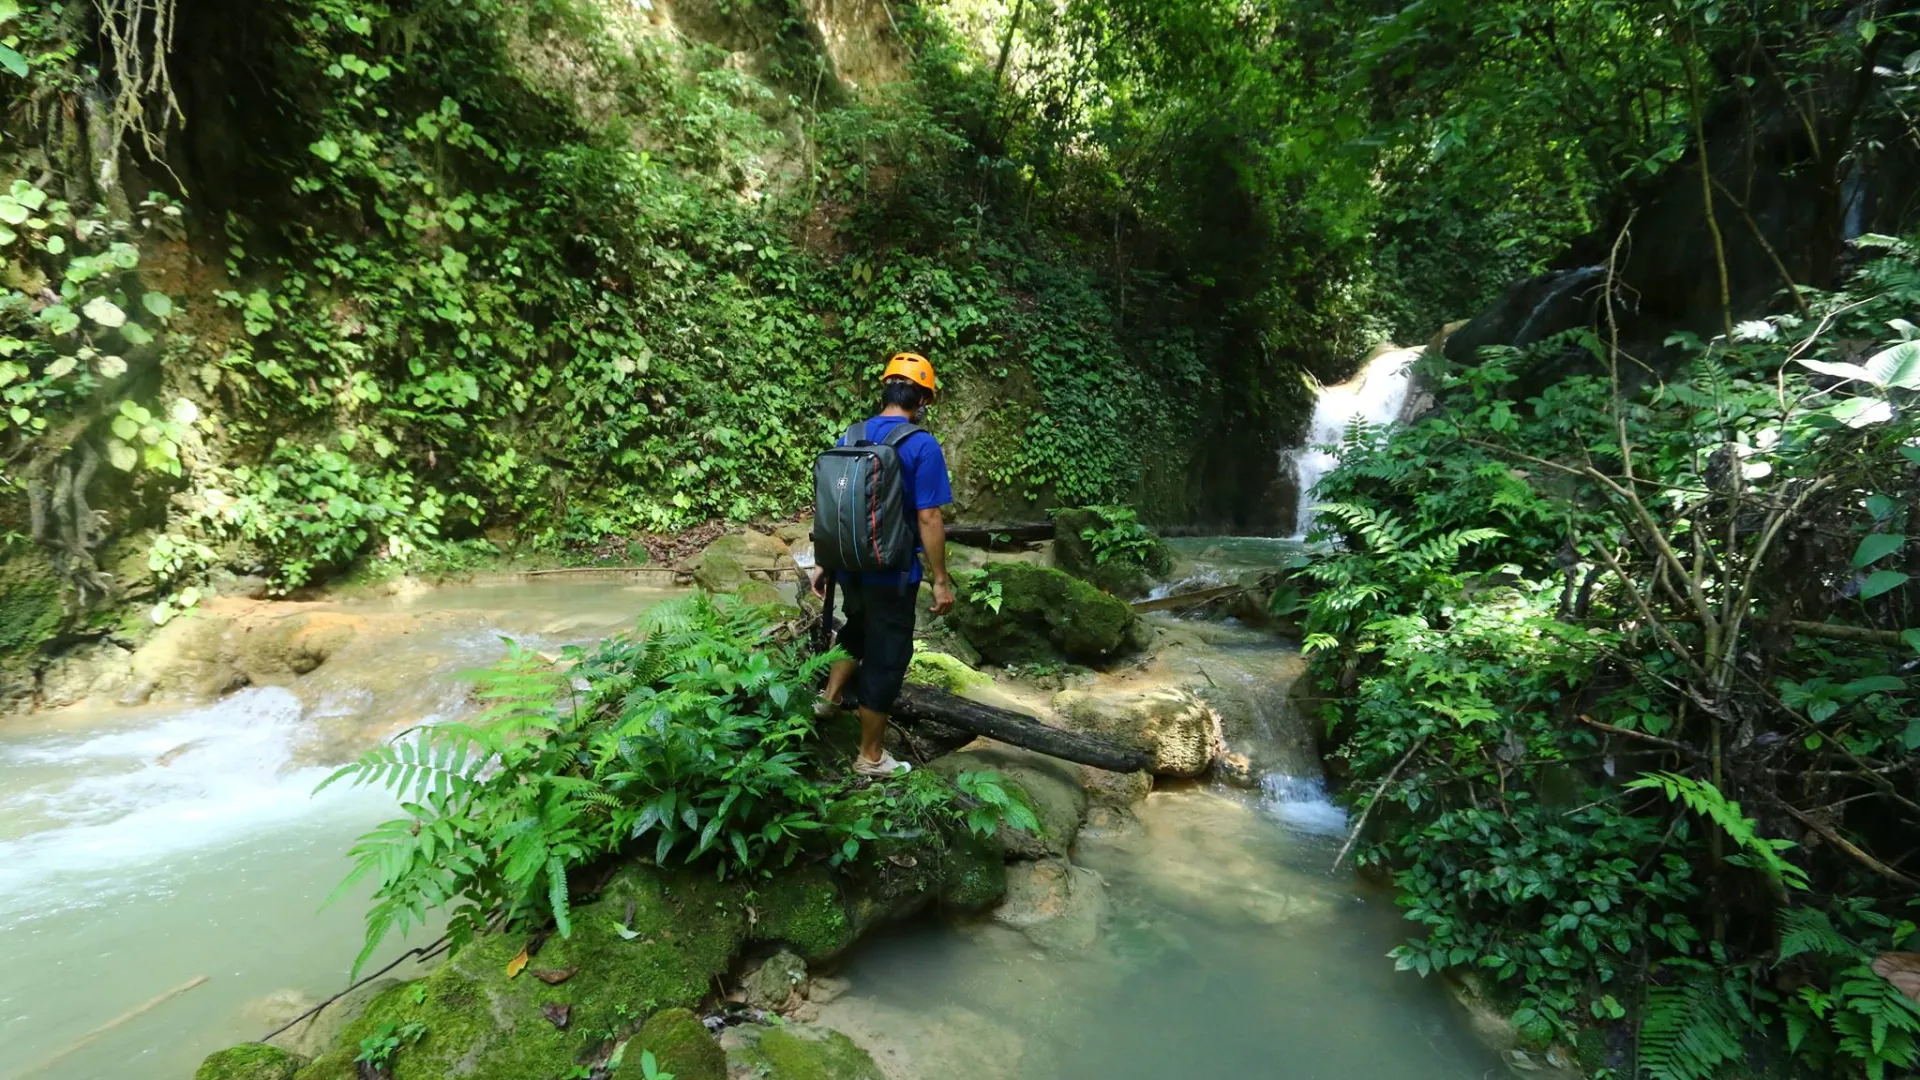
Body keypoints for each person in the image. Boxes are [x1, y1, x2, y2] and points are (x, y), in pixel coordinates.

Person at [810, 352, 955, 778]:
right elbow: (929, 517)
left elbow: (834, 504)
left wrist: (824, 560)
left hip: (849, 563)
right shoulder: (921, 445)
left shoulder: (852, 434)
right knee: (887, 658)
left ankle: (829, 698)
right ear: (922, 399)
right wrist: (940, 579)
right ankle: (870, 757)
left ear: (886, 390)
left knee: (856, 628)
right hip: (892, 571)